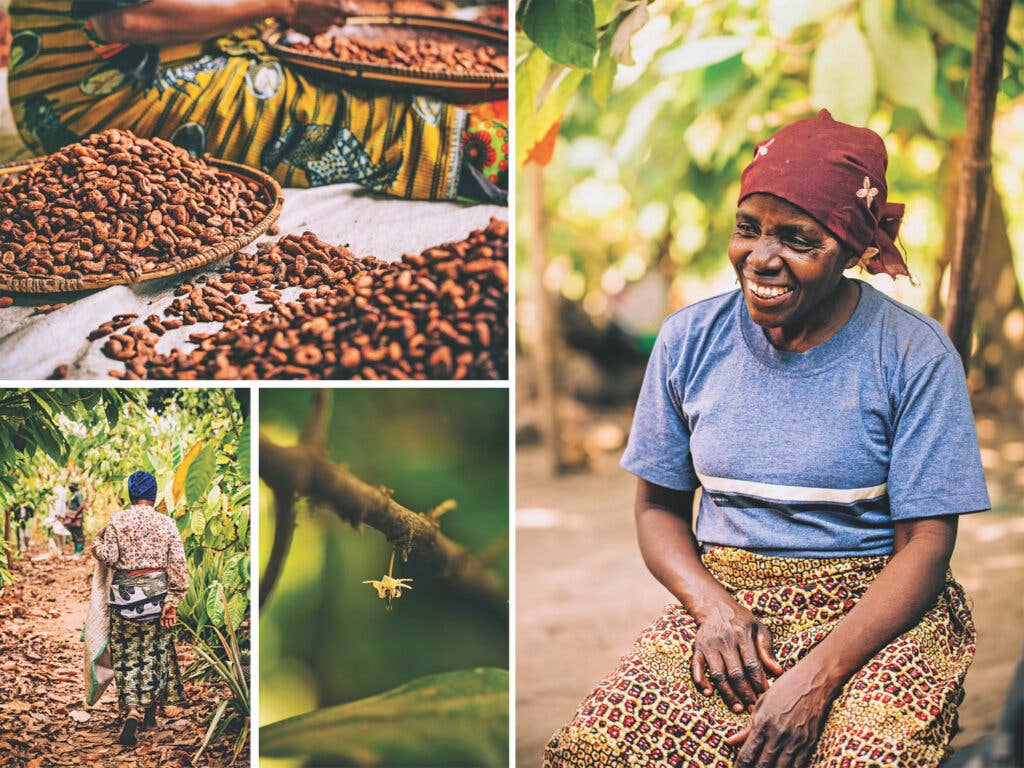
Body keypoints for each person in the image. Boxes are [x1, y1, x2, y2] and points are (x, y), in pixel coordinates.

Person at [543, 110, 989, 768]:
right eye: (747, 229)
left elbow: (926, 544)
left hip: (877, 616)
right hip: (732, 611)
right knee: (599, 748)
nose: (761, 258)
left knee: (861, 757)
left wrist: (817, 678)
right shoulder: (687, 341)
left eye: (797, 240)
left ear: (852, 249)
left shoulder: (913, 355)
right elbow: (657, 509)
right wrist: (712, 609)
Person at [6, 0, 508, 203]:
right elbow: (123, 20)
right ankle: (484, 160)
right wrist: (285, 5)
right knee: (393, 122)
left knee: (397, 69)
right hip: (104, 86)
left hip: (205, 39)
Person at [91, 470, 189, 748]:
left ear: (131, 495)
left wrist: (97, 543)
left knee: (128, 654)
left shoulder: (118, 520)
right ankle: (149, 715)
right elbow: (179, 568)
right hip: (156, 598)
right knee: (155, 652)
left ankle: (132, 709)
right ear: (154, 495)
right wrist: (172, 602)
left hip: (124, 599)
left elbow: (109, 557)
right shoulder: (167, 523)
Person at [65, 481, 88, 556]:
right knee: (74, 533)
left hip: (76, 517)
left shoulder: (78, 494)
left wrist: (75, 514)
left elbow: (82, 505)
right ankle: (76, 551)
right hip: (72, 517)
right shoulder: (73, 494)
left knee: (78, 533)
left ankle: (80, 550)